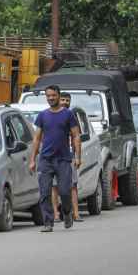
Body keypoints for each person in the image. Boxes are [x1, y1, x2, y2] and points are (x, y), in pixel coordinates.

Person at [29, 85, 82, 232]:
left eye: (53, 95)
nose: (51, 98)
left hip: (63, 159)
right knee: (45, 193)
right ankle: (48, 222)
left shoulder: (68, 114)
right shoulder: (42, 116)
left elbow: (76, 136)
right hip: (45, 160)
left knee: (65, 191)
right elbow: (37, 139)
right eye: (48, 96)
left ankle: (67, 212)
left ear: (58, 96)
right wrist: (33, 159)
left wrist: (77, 157)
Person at [59, 92, 83, 222]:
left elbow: (77, 137)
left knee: (73, 185)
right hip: (55, 157)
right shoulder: (51, 115)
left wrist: (78, 157)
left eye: (67, 100)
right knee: (55, 187)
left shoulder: (72, 117)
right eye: (62, 99)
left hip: (70, 156)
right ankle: (56, 215)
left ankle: (76, 214)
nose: (64, 102)